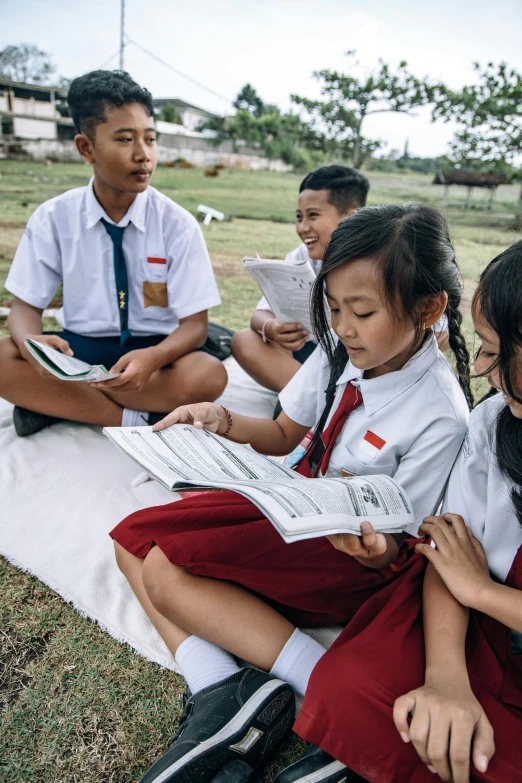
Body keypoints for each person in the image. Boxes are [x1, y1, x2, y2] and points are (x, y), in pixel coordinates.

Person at [110, 203, 472, 783]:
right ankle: (221, 686)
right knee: (131, 539)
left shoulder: (440, 414)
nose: (344, 326)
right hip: (291, 503)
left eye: (362, 311)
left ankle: (314, 678)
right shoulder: (344, 353)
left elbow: (401, 547)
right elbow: (284, 434)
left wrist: (372, 549)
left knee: (162, 570)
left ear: (428, 309)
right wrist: (219, 421)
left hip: (347, 560)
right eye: (332, 309)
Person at [287, 239, 522, 783]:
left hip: (488, 609)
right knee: (346, 686)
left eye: (496, 350)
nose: (481, 368)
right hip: (481, 639)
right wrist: (445, 678)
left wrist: (481, 590)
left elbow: (466, 577)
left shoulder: (439, 411)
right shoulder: (492, 428)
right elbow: (447, 547)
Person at [0, 70, 226, 437]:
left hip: (154, 354)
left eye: (150, 140)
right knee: (3, 356)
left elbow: (195, 327)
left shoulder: (177, 224)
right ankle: (132, 420)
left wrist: (154, 358)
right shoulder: (54, 218)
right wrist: (32, 348)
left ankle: (63, 404)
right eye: (125, 140)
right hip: (79, 350)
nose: (143, 155)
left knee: (209, 374)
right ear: (86, 148)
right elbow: (25, 308)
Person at [230, 165, 369, 393]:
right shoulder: (302, 256)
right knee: (244, 340)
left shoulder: (378, 262)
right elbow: (259, 315)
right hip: (315, 357)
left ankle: (321, 402)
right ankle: (314, 400)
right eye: (299, 217)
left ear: (349, 218)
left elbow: (438, 333)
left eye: (313, 216)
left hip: (364, 364)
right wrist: (272, 328)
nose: (303, 228)